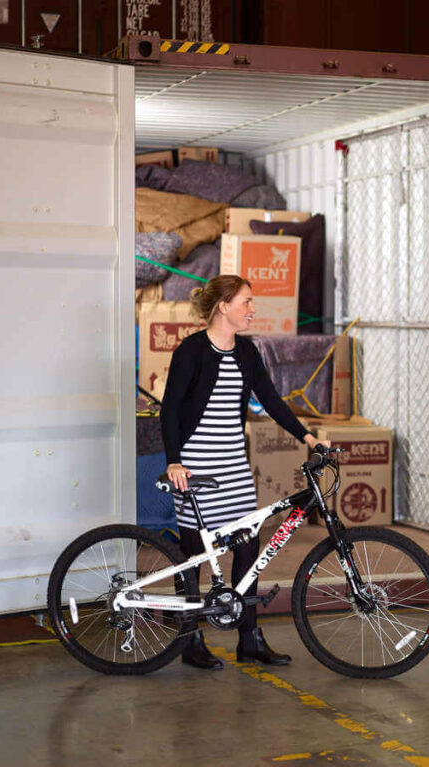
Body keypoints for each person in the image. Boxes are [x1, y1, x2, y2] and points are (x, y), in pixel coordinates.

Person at [160, 275, 326, 670]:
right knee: (194, 555)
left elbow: (270, 400)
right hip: (195, 466)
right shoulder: (192, 351)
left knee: (248, 551)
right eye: (246, 302)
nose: (252, 309)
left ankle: (249, 638)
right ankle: (190, 638)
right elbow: (169, 409)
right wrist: (174, 462)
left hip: (233, 465)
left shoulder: (248, 352)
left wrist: (309, 437)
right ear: (224, 307)